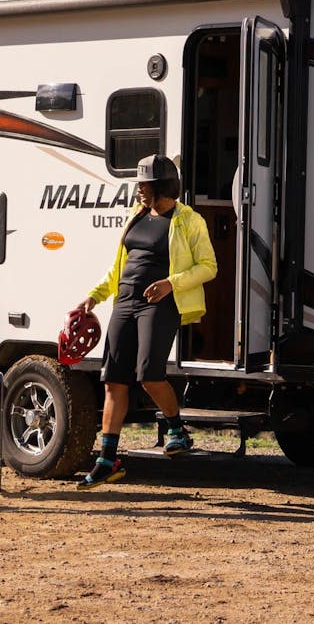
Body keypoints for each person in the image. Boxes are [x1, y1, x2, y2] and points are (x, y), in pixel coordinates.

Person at [75, 154, 218, 488]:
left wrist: (172, 283)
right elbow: (120, 266)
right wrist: (95, 296)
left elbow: (209, 266)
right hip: (124, 301)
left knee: (150, 376)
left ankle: (176, 429)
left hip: (160, 303)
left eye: (143, 184)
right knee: (113, 381)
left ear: (160, 187)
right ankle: (107, 461)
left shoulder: (188, 220)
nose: (138, 189)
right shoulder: (136, 216)